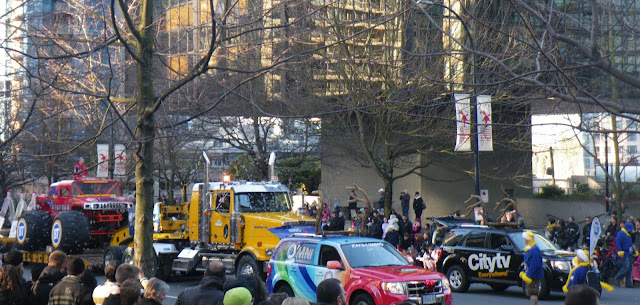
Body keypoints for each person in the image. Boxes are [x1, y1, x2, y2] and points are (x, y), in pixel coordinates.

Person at [520, 231, 543, 305]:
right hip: (530, 274)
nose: (524, 241)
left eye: (525, 239)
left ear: (528, 240)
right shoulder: (530, 249)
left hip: (534, 275)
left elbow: (535, 264)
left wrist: (529, 275)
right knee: (531, 293)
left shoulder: (535, 249)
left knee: (533, 293)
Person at [613, 221, 638, 287]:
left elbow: (630, 245)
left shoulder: (627, 234)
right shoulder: (621, 233)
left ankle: (628, 283)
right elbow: (617, 243)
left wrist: (634, 252)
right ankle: (617, 279)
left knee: (629, 268)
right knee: (626, 267)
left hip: (629, 253)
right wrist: (620, 251)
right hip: (624, 253)